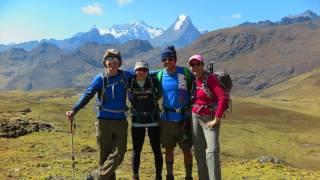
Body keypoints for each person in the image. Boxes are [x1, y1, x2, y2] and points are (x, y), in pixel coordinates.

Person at [65, 49, 132, 180]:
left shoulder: (126, 76)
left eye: (115, 59)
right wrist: (75, 109)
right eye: (109, 59)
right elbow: (87, 94)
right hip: (103, 122)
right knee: (104, 158)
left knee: (119, 154)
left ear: (120, 62)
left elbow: (144, 73)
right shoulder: (100, 79)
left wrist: (166, 71)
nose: (112, 62)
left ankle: (95, 176)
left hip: (121, 122)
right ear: (105, 62)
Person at [188, 55, 228, 180]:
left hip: (210, 118)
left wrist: (217, 118)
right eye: (192, 65)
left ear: (202, 65)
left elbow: (222, 97)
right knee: (199, 152)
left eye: (198, 64)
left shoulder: (210, 79)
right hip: (195, 117)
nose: (195, 67)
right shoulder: (194, 79)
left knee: (212, 151)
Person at [156, 45, 193, 180]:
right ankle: (169, 175)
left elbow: (196, 84)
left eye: (170, 58)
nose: (167, 61)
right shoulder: (160, 75)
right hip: (166, 119)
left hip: (184, 118)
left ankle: (188, 176)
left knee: (186, 149)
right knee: (168, 149)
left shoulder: (185, 73)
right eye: (164, 59)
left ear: (175, 59)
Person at [128, 61, 163, 180]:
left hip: (153, 120)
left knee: (156, 149)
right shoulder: (130, 80)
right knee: (137, 150)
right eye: (139, 70)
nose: (142, 72)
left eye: (145, 70)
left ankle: (158, 176)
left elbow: (160, 92)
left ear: (148, 71)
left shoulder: (153, 80)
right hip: (137, 121)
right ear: (135, 71)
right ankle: (135, 176)